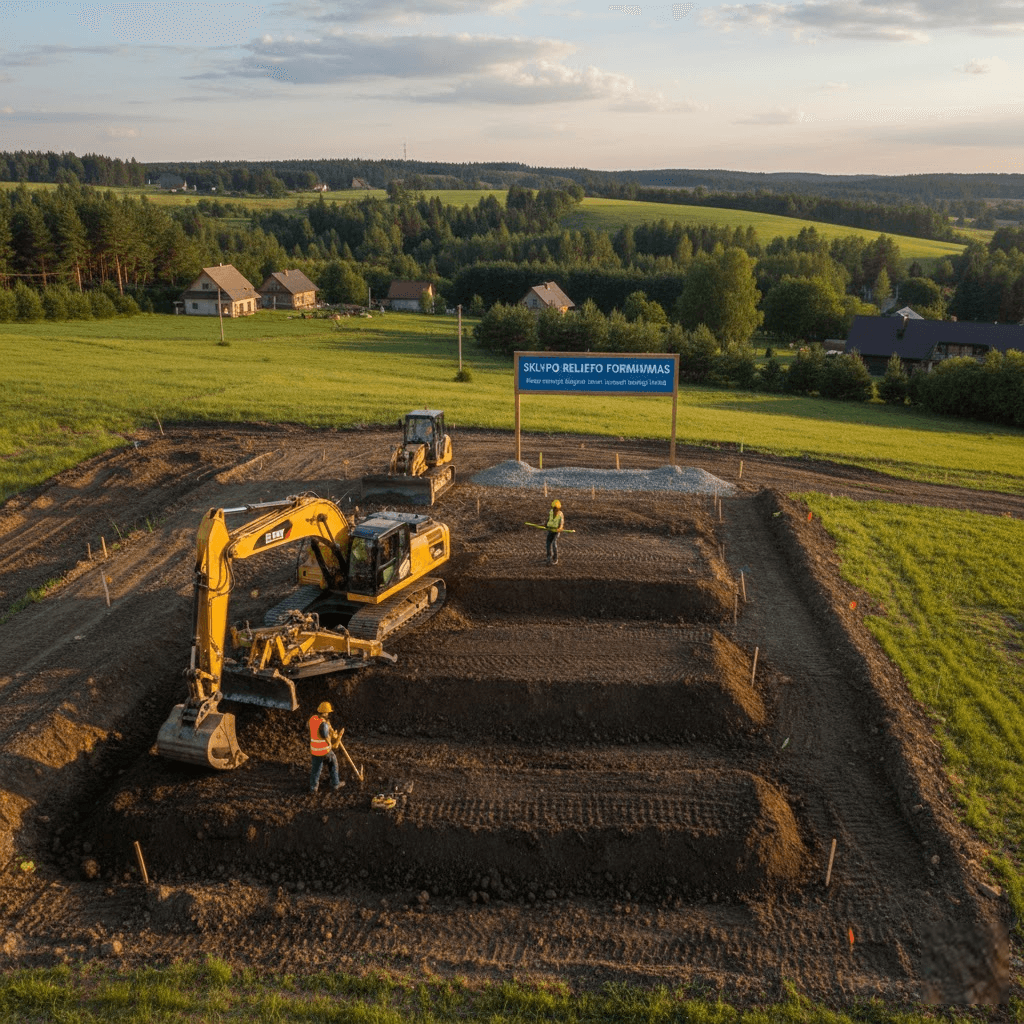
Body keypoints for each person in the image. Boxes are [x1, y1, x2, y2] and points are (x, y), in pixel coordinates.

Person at [308, 701, 344, 794]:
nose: (328, 714)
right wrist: (333, 738)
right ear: (324, 712)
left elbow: (312, 729)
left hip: (314, 750)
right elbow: (325, 735)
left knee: (316, 770)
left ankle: (313, 788)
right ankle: (336, 784)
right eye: (328, 712)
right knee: (333, 762)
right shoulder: (324, 724)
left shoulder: (312, 719)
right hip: (324, 751)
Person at [545, 499, 564, 565]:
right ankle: (548, 557)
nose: (555, 510)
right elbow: (548, 520)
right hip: (550, 530)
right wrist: (546, 525)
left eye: (557, 509)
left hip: (556, 532)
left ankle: (555, 558)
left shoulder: (560, 514)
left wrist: (560, 528)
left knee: (553, 543)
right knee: (548, 544)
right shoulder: (550, 512)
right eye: (554, 508)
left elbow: (561, 524)